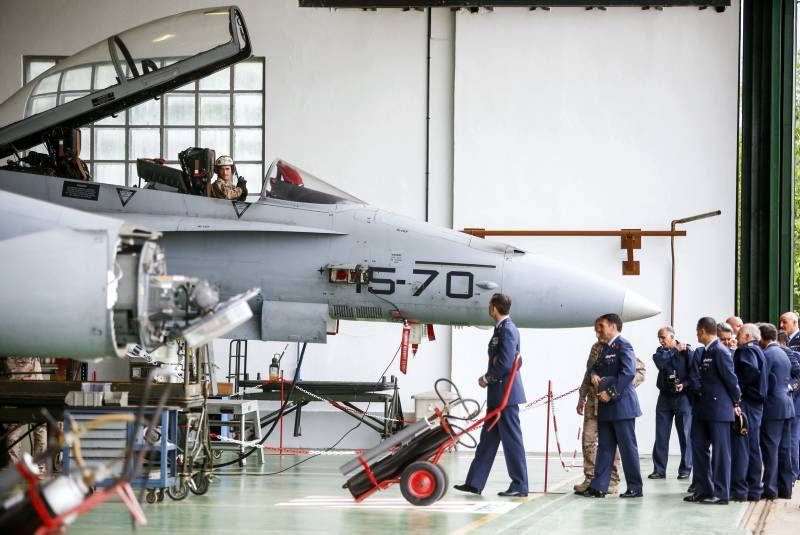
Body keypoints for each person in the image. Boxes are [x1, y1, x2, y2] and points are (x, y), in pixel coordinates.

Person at [455, 293, 528, 497]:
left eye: (490, 305)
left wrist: (487, 378)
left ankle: (520, 486)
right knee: (487, 440)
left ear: (494, 308)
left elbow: (506, 362)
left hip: (506, 395)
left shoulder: (508, 329)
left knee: (512, 441)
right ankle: (474, 483)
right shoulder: (502, 329)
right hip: (498, 394)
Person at [577, 313, 643, 499]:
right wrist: (593, 375)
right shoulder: (604, 349)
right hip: (605, 408)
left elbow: (628, 373)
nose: (598, 331)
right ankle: (598, 486)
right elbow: (595, 367)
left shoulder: (624, 345)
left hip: (621, 407)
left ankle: (635, 488)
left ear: (613, 326)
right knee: (605, 448)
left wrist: (611, 392)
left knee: (627, 448)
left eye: (601, 326)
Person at [684, 317, 741, 505]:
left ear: (701, 331)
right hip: (702, 409)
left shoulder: (720, 351)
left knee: (720, 452)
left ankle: (721, 493)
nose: (696, 335)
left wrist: (736, 402)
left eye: (697, 331)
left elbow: (731, 380)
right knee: (698, 447)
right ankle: (703, 489)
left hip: (718, 409)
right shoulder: (708, 351)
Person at [649, 326, 693, 480]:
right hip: (665, 397)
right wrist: (675, 350)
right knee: (661, 434)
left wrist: (685, 385)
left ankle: (686, 469)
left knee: (685, 434)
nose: (661, 341)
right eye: (659, 338)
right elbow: (661, 364)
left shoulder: (687, 351)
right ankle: (659, 470)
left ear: (672, 336)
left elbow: (693, 373)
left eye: (663, 338)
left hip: (682, 397)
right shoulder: (660, 352)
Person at [729, 324, 767, 502]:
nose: (736, 336)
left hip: (748, 404)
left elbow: (750, 371)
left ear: (746, 335)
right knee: (753, 447)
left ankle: (740, 489)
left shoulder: (745, 351)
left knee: (742, 446)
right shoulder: (759, 351)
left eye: (738, 333)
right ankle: (754, 489)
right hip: (757, 405)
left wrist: (739, 390)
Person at [758, 323, 795, 499]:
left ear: (762, 338)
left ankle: (770, 489)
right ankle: (785, 489)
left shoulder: (766, 355)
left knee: (770, 449)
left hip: (772, 407)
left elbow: (763, 384)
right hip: (787, 405)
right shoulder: (782, 352)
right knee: (784, 449)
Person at [2, 357, 48, 475]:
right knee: (38, 427)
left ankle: (14, 470)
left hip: (20, 382)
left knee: (15, 428)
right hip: (26, 384)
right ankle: (38, 469)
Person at [777, 330, 800, 483]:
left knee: (792, 440)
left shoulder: (789, 354)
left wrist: (790, 388)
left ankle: (792, 474)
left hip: (794, 403)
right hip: (788, 403)